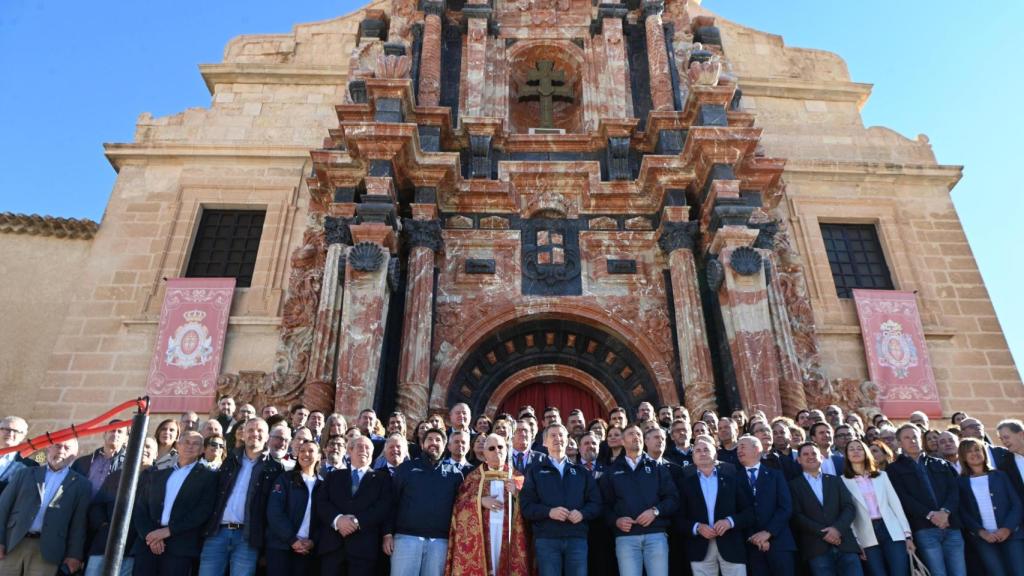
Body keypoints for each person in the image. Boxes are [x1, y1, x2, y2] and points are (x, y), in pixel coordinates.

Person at [199, 418, 283, 576]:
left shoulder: (275, 468)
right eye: (250, 430)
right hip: (217, 533)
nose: (254, 434)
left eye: (260, 431)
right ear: (243, 434)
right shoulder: (229, 460)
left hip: (248, 537)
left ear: (267, 437)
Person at [0, 438, 90, 576]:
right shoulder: (24, 474)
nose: (61, 451)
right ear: (48, 448)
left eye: (67, 448)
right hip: (13, 542)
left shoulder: (81, 485)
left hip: (49, 550)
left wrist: (74, 555)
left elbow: (79, 523)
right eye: (57, 446)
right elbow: (3, 508)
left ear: (75, 454)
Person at [520, 424, 602, 576]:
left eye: (561, 435)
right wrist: (549, 512)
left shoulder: (581, 472)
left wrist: (583, 513)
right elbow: (526, 506)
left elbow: (596, 503)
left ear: (568, 440)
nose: (558, 438)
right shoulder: (534, 472)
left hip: (576, 538)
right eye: (553, 435)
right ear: (544, 443)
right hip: (547, 539)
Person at [131, 431, 216, 576]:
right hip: (148, 545)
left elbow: (203, 511)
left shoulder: (209, 477)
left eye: (196, 444)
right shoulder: (157, 475)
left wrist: (168, 531)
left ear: (202, 450)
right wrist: (150, 536)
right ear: (178, 445)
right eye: (186, 442)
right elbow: (140, 508)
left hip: (179, 547)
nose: (190, 446)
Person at [598, 424, 678, 576]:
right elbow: (603, 505)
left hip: (656, 535)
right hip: (626, 538)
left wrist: (655, 511)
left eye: (639, 435)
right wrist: (616, 521)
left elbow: (673, 499)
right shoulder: (611, 471)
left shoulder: (658, 468)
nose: (636, 437)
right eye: (631, 434)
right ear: (622, 440)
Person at [886, 424, 965, 576]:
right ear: (899, 443)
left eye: (915, 437)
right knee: (937, 573)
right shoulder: (893, 469)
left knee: (959, 572)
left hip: (952, 526)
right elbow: (903, 498)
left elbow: (954, 491)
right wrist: (930, 514)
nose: (912, 441)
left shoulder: (941, 463)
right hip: (924, 529)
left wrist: (945, 512)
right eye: (907, 438)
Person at [447, 433, 530, 576]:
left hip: (508, 537)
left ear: (507, 449)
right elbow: (459, 507)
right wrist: (479, 501)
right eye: (491, 448)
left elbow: (530, 508)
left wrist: (517, 493)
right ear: (484, 453)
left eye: (500, 447)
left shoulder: (518, 477)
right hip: (483, 535)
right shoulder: (473, 478)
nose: (497, 451)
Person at [386, 428, 465, 576]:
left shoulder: (455, 474)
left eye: (438, 440)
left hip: (440, 543)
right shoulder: (406, 469)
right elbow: (392, 503)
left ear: (446, 445)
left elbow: (461, 507)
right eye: (429, 439)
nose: (433, 443)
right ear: (422, 444)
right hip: (406, 539)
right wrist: (387, 534)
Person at [677, 435, 752, 576]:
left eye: (706, 449)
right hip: (699, 547)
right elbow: (678, 518)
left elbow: (749, 512)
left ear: (716, 454)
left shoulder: (732, 480)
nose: (703, 453)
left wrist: (730, 522)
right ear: (693, 458)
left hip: (731, 544)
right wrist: (697, 527)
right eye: (698, 451)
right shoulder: (685, 484)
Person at [316, 436, 392, 576]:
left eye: (367, 447)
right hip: (332, 547)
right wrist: (338, 520)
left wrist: (357, 522)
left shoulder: (382, 478)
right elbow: (321, 503)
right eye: (360, 446)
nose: (364, 450)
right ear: (349, 450)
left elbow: (383, 507)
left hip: (364, 550)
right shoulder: (333, 476)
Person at [84, 437, 157, 576]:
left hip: (133, 548)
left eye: (148, 447)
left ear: (156, 454)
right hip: (104, 544)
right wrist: (103, 525)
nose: (144, 449)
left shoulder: (160, 479)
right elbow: (97, 505)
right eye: (141, 445)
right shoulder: (116, 476)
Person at [840, 438, 912, 576]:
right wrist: (856, 541)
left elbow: (895, 505)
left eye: (859, 448)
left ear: (866, 452)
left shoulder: (882, 476)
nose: (856, 451)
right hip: (865, 533)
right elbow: (847, 513)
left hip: (892, 530)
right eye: (852, 449)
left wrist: (907, 535)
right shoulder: (842, 481)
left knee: (900, 572)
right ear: (847, 455)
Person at [788, 442, 862, 576]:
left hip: (845, 543)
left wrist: (837, 529)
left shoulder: (836, 481)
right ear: (798, 460)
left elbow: (849, 507)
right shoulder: (793, 485)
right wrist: (825, 533)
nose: (810, 456)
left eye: (814, 453)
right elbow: (797, 516)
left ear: (821, 457)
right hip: (816, 548)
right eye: (805, 454)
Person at [956, 437, 1024, 576]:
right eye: (969, 452)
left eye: (977, 449)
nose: (974, 453)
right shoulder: (960, 482)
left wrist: (1007, 528)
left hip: (1011, 535)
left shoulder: (1000, 475)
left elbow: (1016, 504)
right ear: (963, 457)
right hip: (983, 539)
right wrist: (981, 532)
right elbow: (963, 512)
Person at [735, 435, 795, 576]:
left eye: (742, 446)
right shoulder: (734, 479)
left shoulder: (776, 475)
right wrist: (755, 538)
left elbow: (785, 507)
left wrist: (768, 533)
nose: (739, 450)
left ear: (757, 449)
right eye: (737, 447)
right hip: (752, 545)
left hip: (780, 543)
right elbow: (737, 511)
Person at [73, 423, 128, 495]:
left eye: (120, 432)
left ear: (126, 439)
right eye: (112, 430)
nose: (115, 434)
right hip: (81, 505)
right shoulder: (81, 462)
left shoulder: (128, 466)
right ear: (104, 435)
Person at [0, 417, 35, 498]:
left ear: (23, 436)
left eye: (16, 431)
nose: (10, 433)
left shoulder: (29, 466)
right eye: (6, 429)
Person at [995, 419, 1024, 502]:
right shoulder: (1005, 466)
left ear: (1021, 434)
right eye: (1001, 439)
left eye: (1006, 437)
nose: (1004, 442)